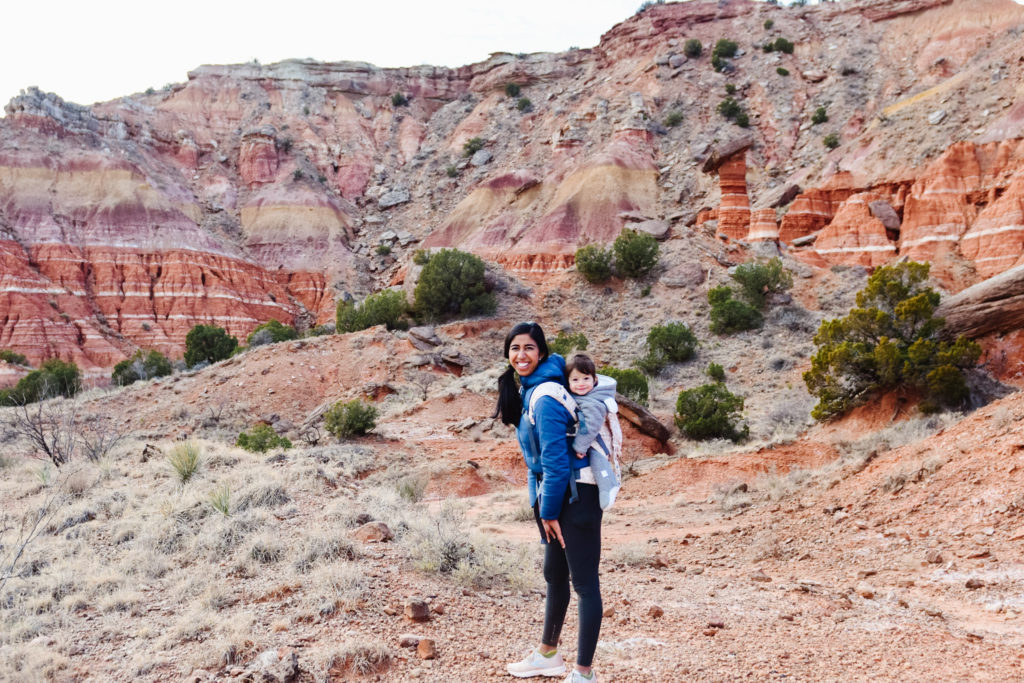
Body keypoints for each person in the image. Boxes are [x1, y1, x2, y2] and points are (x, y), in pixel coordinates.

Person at [495, 322, 603, 683]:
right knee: (555, 575)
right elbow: (537, 463)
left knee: (585, 584)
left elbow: (556, 464)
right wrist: (542, 507)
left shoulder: (544, 396)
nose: (520, 355)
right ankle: (547, 656)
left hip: (575, 496)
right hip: (557, 496)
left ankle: (583, 674)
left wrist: (549, 511)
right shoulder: (531, 390)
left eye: (528, 348)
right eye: (514, 349)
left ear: (540, 352)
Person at [566, 354, 622, 511]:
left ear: (594, 379)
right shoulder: (585, 397)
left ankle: (608, 486)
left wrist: (579, 447)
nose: (581, 384)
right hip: (595, 438)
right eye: (575, 380)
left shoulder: (592, 402)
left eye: (586, 378)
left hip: (598, 441)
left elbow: (592, 424)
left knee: (597, 458)